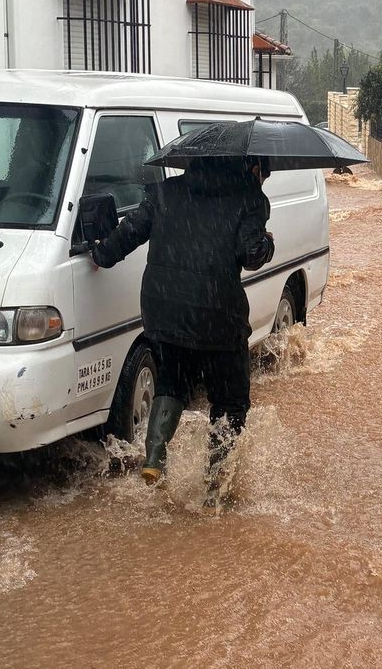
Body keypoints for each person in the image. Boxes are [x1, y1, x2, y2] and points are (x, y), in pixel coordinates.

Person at [90, 156, 274, 490]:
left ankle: (154, 459)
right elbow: (252, 256)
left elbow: (130, 231)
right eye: (263, 171)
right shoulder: (249, 198)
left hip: (163, 308)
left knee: (173, 382)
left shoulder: (166, 191)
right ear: (249, 167)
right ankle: (217, 487)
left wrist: (102, 254)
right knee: (230, 400)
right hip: (217, 313)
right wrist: (266, 240)